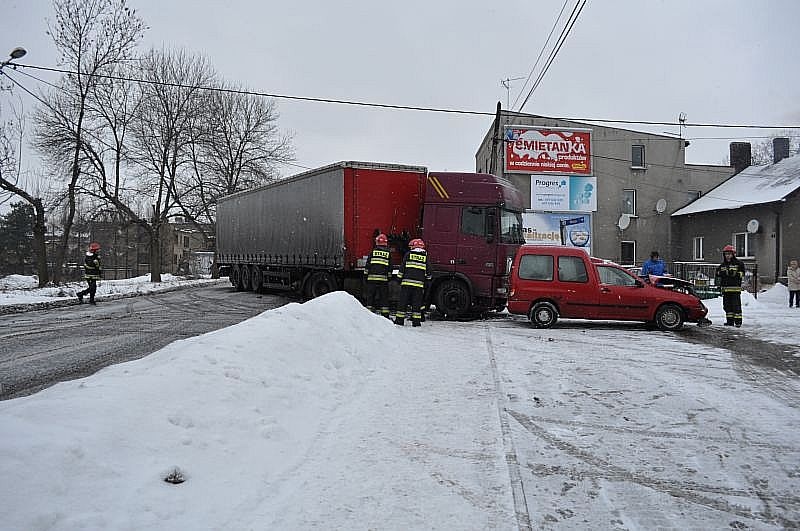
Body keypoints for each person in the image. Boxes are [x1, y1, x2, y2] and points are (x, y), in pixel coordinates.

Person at [394, 238, 430, 327]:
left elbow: (402, 268)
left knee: (403, 302)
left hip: (406, 284)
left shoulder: (408, 255)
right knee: (416, 304)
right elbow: (429, 272)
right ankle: (416, 322)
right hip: (418, 286)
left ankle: (399, 321)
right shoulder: (425, 257)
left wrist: (398, 279)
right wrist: (426, 280)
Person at [715, 244, 746, 327]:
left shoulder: (739, 264)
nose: (728, 256)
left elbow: (742, 273)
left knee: (736, 306)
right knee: (727, 307)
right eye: (726, 254)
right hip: (725, 289)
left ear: (733, 254)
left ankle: (738, 322)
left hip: (735, 289)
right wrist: (721, 273)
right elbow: (717, 273)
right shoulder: (722, 265)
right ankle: (729, 322)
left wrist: (735, 274)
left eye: (729, 254)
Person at [363, 233, 391, 318]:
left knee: (370, 296)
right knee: (384, 297)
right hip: (383, 280)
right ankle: (385, 314)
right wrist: (389, 277)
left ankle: (368, 314)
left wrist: (365, 276)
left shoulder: (373, 252)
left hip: (372, 279)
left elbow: (368, 265)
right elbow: (390, 267)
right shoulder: (388, 253)